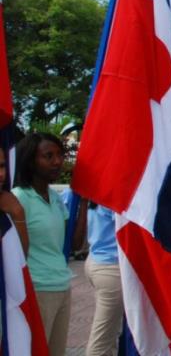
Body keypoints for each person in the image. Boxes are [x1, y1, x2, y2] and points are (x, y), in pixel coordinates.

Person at [10, 132, 86, 356]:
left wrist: (83, 201)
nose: (57, 161)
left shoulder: (54, 197)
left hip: (61, 285)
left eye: (60, 155)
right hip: (36, 289)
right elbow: (16, 253)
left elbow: (74, 244)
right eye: (48, 156)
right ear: (30, 160)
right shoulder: (19, 199)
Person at [84, 199, 123, 355]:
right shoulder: (112, 198)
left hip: (97, 261)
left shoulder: (98, 195)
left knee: (111, 331)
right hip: (110, 267)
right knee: (103, 338)